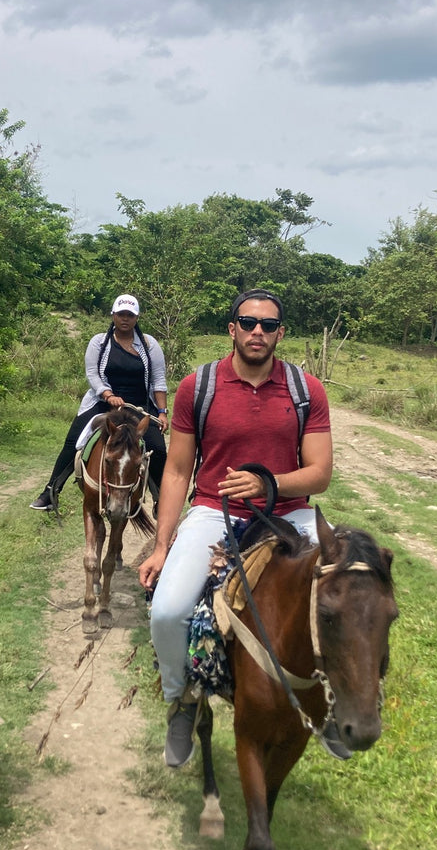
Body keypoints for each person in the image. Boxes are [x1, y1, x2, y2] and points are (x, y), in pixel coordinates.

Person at [139, 289, 333, 767]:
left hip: (289, 512)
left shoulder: (306, 389)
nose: (258, 332)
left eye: (268, 326)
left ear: (280, 334)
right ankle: (181, 697)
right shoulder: (197, 387)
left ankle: (333, 705)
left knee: (341, 597)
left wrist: (270, 482)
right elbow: (178, 471)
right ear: (232, 329)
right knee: (167, 610)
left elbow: (320, 473)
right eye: (248, 323)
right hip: (213, 509)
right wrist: (162, 546)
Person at [29, 294, 169, 513]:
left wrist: (162, 412)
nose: (125, 319)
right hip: (103, 403)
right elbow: (92, 374)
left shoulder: (150, 345)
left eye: (130, 315)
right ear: (113, 315)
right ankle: (50, 491)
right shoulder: (100, 342)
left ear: (137, 317)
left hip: (139, 406)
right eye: (121, 314)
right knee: (74, 440)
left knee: (159, 448)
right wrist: (107, 394)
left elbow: (159, 380)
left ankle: (161, 499)